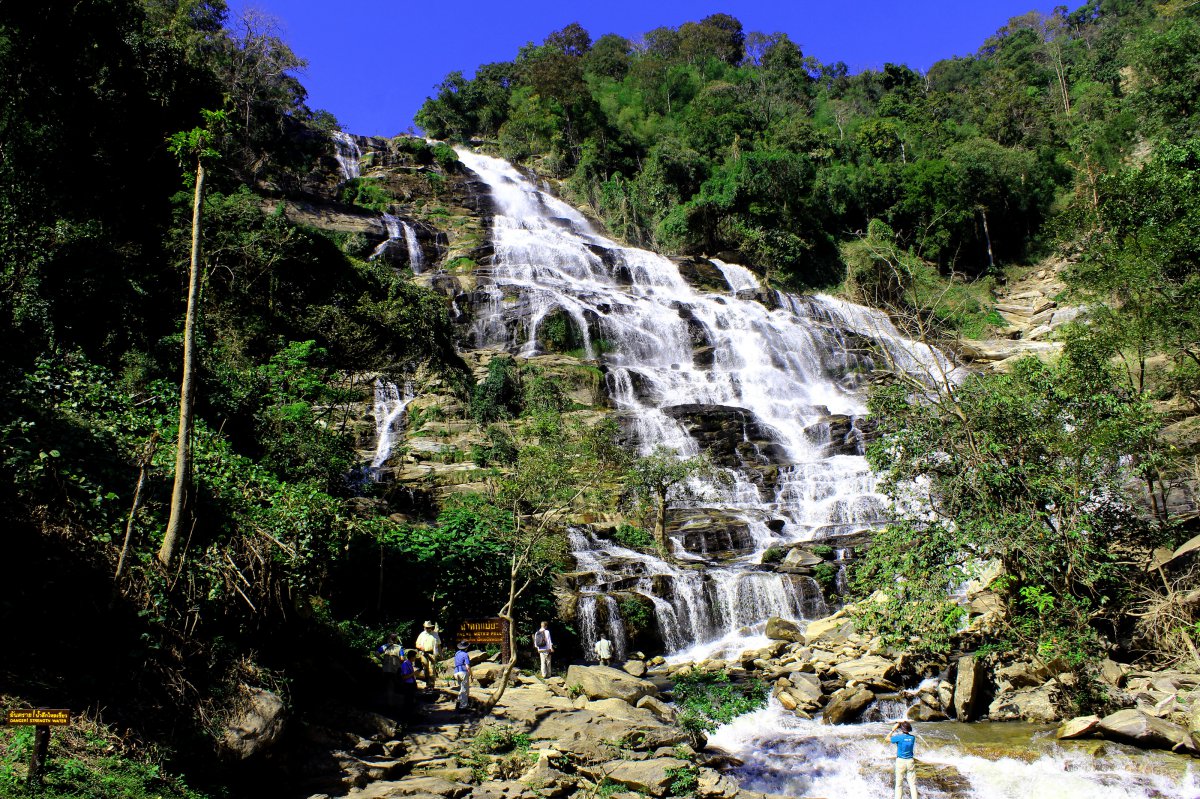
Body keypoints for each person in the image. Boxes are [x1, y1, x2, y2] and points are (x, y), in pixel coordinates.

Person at [887, 720, 918, 799]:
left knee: (899, 785)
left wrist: (893, 730)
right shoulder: (912, 738)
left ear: (901, 729)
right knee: (913, 784)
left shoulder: (899, 737)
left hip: (900, 761)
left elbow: (887, 739)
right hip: (910, 761)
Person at [375, 633, 403, 709]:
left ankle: (386, 702)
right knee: (393, 685)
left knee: (386, 684)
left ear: (389, 639)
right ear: (396, 639)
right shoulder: (399, 648)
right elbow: (402, 658)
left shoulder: (384, 646)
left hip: (386, 668)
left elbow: (376, 653)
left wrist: (382, 660)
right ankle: (392, 703)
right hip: (395, 669)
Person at [414, 620, 442, 691]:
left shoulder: (435, 634)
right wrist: (420, 647)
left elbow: (439, 645)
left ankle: (431, 685)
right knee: (425, 669)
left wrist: (440, 654)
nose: (427, 629)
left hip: (432, 653)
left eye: (429, 627)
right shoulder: (422, 634)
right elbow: (417, 644)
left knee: (431, 669)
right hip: (424, 654)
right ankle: (427, 684)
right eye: (426, 627)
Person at [398, 649, 419, 723]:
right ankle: (406, 719)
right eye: (415, 656)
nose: (415, 658)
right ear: (412, 657)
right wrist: (414, 673)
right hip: (407, 685)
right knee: (408, 702)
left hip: (411, 684)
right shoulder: (405, 664)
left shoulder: (410, 663)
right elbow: (404, 677)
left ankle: (410, 718)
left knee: (411, 701)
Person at [453, 641, 472, 712]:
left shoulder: (457, 653)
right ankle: (463, 707)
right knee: (465, 690)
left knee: (461, 688)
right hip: (463, 672)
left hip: (456, 672)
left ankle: (458, 704)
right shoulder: (465, 654)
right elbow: (467, 666)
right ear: (466, 648)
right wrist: (471, 674)